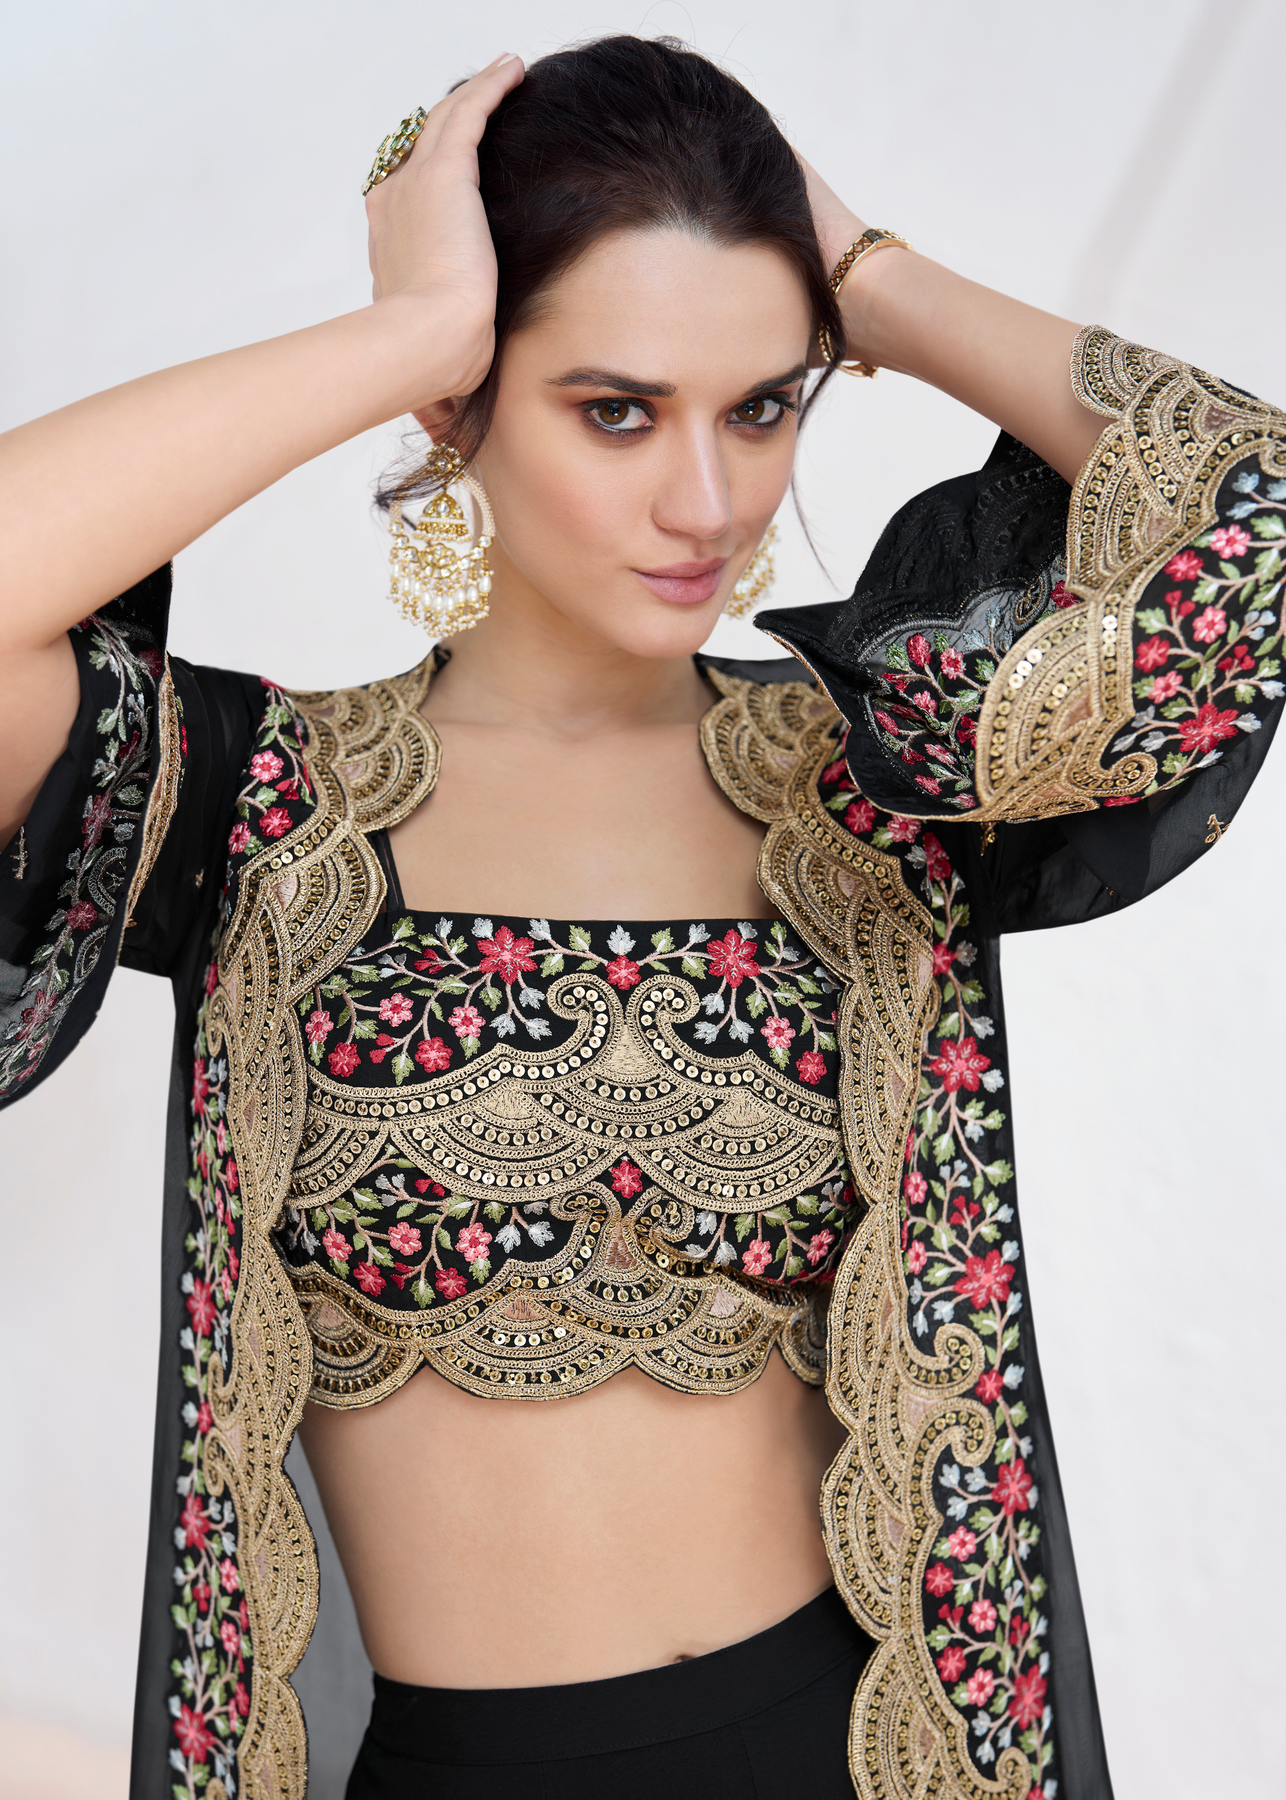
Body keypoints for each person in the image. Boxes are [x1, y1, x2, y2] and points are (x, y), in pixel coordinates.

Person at [1, 32, 1280, 1800]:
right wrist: (407, 331)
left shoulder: (881, 790)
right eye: (614, 409)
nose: (709, 503)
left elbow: (1248, 515)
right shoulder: (260, 811)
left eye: (759, 406)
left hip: (861, 1751)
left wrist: (865, 279)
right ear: (462, 401)